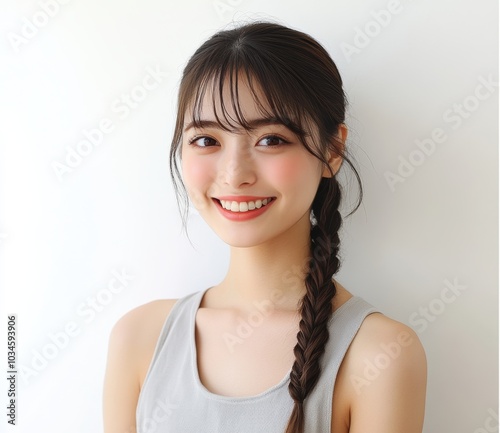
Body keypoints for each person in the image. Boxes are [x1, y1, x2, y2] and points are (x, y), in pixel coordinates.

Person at [103, 21, 427, 433]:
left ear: (332, 150)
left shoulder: (380, 354)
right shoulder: (139, 338)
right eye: (206, 140)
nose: (235, 174)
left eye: (271, 139)